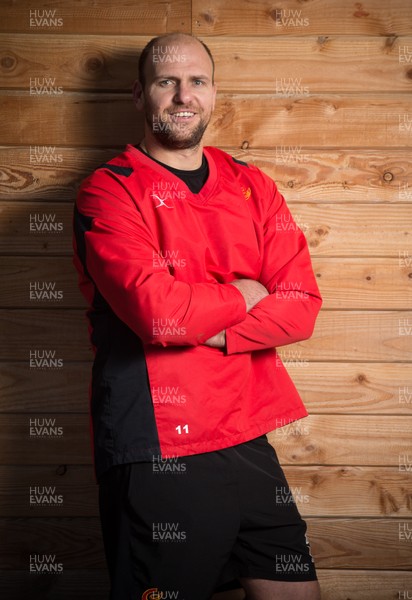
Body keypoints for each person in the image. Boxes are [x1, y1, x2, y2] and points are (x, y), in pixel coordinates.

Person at [73, 32, 322, 600]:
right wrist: (247, 294)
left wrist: (199, 319)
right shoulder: (108, 193)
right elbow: (157, 314)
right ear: (140, 94)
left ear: (213, 94)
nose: (183, 95)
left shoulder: (253, 186)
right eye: (166, 81)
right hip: (159, 442)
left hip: (246, 433)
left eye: (197, 82)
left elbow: (301, 309)